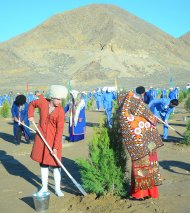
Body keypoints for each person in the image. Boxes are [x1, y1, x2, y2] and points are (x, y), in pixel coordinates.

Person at [119, 86, 163, 200]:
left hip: (140, 148)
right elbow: (152, 122)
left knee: (141, 168)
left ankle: (140, 194)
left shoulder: (128, 116)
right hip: (150, 146)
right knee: (150, 166)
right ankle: (150, 193)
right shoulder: (145, 114)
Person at [28, 85, 68, 197]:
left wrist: (55, 147)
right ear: (52, 97)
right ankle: (44, 188)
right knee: (43, 163)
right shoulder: (42, 102)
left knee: (56, 165)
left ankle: (57, 189)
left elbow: (59, 131)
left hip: (54, 140)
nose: (60, 102)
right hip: (41, 139)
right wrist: (30, 115)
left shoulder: (60, 112)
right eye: (58, 99)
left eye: (61, 99)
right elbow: (32, 104)